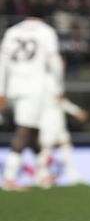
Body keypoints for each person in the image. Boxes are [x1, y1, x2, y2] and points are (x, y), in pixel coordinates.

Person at [0, 13, 63, 191]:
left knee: (33, 131)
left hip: (13, 87)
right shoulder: (46, 32)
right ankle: (9, 177)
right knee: (24, 129)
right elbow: (55, 62)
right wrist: (58, 88)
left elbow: (2, 62)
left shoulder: (12, 31)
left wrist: (1, 91)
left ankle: (42, 174)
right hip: (34, 88)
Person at [36, 68, 90, 186]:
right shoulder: (48, 78)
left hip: (55, 116)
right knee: (46, 147)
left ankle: (72, 175)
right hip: (49, 117)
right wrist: (76, 111)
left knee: (64, 143)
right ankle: (41, 175)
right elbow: (59, 98)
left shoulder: (47, 77)